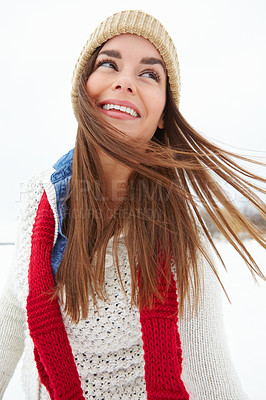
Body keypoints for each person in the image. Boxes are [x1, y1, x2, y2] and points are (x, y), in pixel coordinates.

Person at [0, 9, 265, 400]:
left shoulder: (180, 230)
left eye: (149, 73)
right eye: (109, 64)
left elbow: (211, 373)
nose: (125, 81)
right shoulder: (41, 205)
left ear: (162, 114)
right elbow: (12, 313)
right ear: (84, 86)